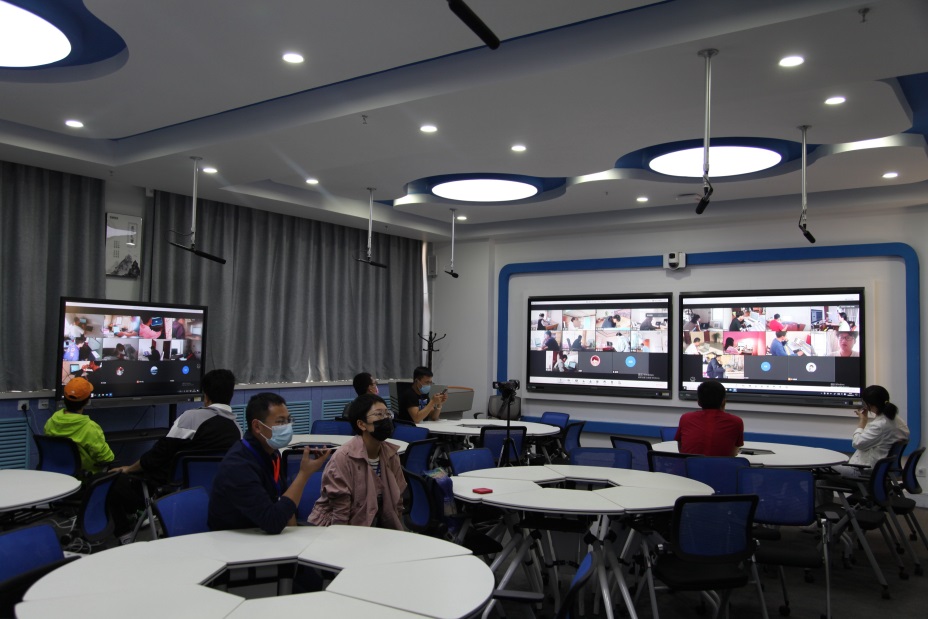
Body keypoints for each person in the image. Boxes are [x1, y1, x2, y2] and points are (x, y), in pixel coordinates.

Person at [208, 392, 331, 533]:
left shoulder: (272, 452)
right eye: (280, 422)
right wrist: (304, 474)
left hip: (262, 534)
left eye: (288, 420)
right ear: (257, 426)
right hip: (234, 540)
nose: (287, 426)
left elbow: (284, 502)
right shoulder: (238, 465)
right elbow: (273, 522)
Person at [112, 369, 242, 483]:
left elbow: (158, 455)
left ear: (206, 397)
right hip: (212, 489)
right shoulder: (238, 430)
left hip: (173, 487)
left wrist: (129, 469)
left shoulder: (191, 418)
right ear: (231, 395)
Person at [309, 394, 406, 529]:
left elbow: (397, 500)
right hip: (343, 527)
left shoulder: (390, 454)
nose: (385, 419)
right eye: (379, 414)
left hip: (378, 525)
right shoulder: (344, 457)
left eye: (387, 414)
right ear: (361, 424)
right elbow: (341, 513)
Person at [830, 385, 909, 478]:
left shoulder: (880, 425)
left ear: (869, 405)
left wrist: (862, 421)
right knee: (824, 479)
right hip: (881, 472)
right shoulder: (897, 420)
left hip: (865, 472)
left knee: (823, 469)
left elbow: (857, 443)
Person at [44, 377, 114, 474]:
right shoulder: (90, 428)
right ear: (87, 401)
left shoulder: (50, 422)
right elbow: (107, 458)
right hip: (85, 478)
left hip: (58, 475)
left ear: (65, 399)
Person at [674, 380, 743, 457]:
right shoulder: (736, 422)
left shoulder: (686, 418)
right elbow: (733, 454)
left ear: (698, 402)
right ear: (723, 402)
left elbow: (681, 450)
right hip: (722, 465)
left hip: (691, 464)